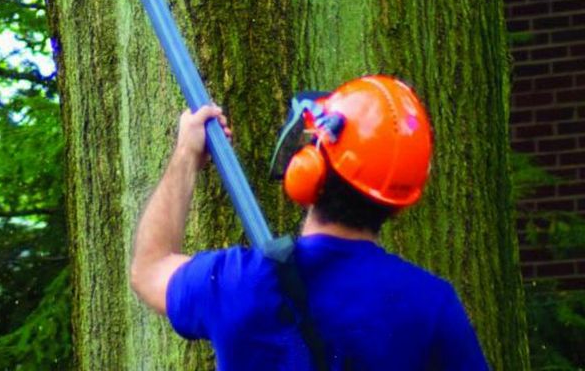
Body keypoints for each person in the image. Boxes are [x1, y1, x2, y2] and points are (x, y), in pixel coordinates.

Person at [129, 75, 490, 369]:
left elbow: (150, 268)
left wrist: (186, 155)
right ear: (398, 201)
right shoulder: (431, 306)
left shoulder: (237, 282)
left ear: (309, 168)